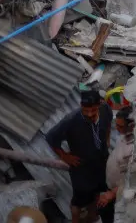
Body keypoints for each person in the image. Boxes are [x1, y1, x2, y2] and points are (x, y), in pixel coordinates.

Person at [46, 87, 114, 223]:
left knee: (97, 190)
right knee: (78, 201)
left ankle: (93, 216)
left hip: (100, 161)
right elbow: (50, 137)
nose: (89, 114)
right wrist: (65, 156)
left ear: (99, 105)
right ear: (80, 106)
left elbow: (108, 124)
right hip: (81, 167)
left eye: (93, 110)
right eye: (85, 110)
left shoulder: (105, 109)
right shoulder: (71, 120)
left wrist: (106, 140)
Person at [100, 106, 135, 223]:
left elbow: (133, 178)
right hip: (109, 186)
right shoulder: (123, 136)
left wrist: (113, 193)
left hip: (119, 194)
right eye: (117, 124)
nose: (117, 128)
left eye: (120, 126)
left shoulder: (134, 148)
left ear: (131, 126)